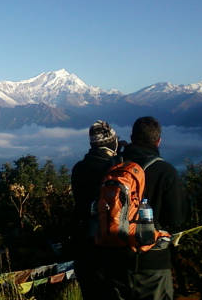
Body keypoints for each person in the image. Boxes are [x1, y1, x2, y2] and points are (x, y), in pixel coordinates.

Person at [103, 116, 187, 300]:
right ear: (158, 141)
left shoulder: (113, 167)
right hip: (152, 261)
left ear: (132, 138)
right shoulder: (166, 171)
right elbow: (176, 220)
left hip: (114, 258)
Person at [71, 120, 122, 300]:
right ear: (111, 142)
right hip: (113, 243)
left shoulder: (79, 169)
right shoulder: (116, 168)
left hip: (85, 245)